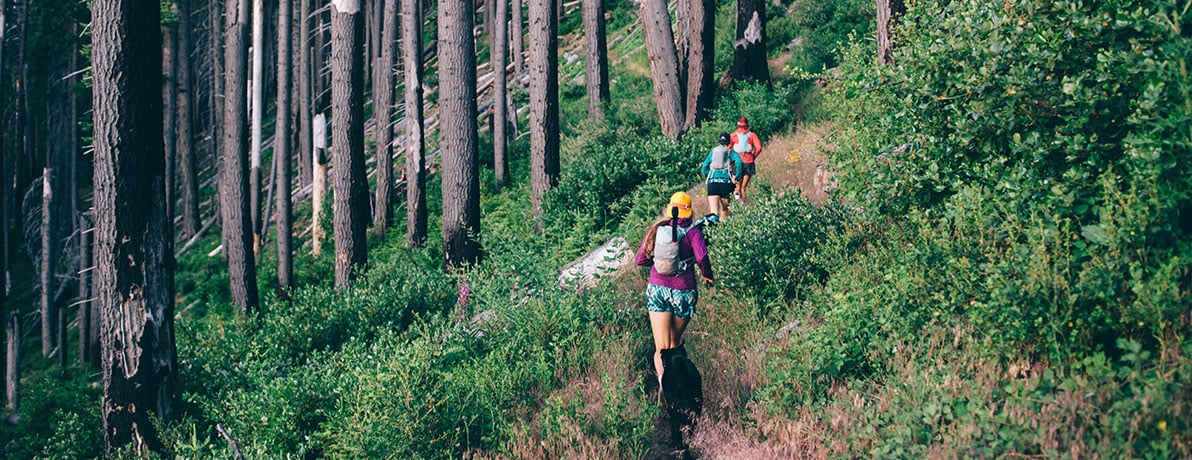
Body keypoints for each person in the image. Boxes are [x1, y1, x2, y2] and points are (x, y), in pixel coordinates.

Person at [635, 192, 714, 395]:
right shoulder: (693, 232)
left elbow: (640, 260)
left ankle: (665, 390)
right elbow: (702, 257)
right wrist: (708, 276)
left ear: (670, 208)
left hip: (657, 289)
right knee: (674, 345)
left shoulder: (657, 229)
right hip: (683, 292)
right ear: (690, 210)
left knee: (660, 349)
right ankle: (680, 390)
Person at [701, 132, 744, 217]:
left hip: (712, 184)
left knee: (713, 212)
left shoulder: (713, 152)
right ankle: (723, 228)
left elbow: (704, 168)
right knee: (724, 210)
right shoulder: (730, 153)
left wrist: (710, 174)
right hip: (726, 184)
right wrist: (737, 177)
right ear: (729, 142)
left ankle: (714, 228)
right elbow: (739, 163)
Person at [731, 117, 763, 203]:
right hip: (749, 162)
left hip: (737, 163)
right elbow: (759, 148)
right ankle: (743, 205)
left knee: (737, 186)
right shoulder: (752, 135)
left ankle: (736, 205)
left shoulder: (733, 135)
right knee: (743, 187)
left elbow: (728, 149)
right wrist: (753, 157)